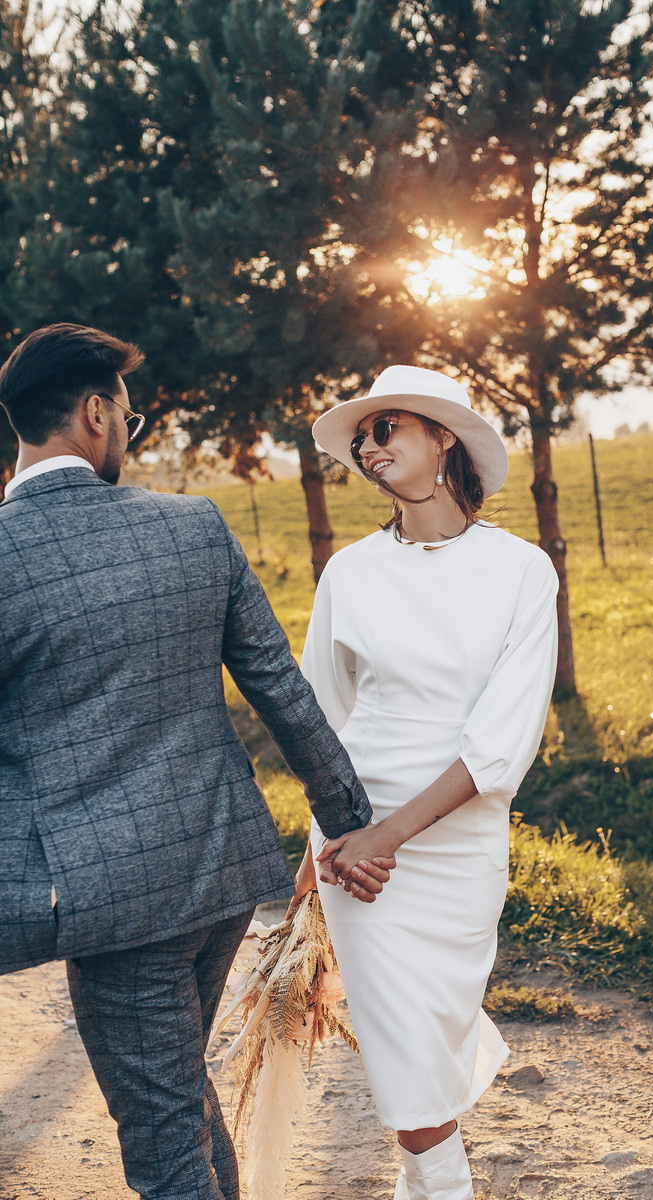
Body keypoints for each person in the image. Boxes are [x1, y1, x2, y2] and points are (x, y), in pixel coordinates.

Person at [0, 323, 393, 1200]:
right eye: (130, 421)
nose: (126, 436)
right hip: (221, 873)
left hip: (108, 903)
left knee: (161, 1129)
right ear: (96, 413)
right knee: (177, 1090)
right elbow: (282, 690)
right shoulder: (192, 525)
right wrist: (350, 828)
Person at [292, 365, 560, 1200]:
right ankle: (445, 1188)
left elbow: (501, 743)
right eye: (361, 438)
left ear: (444, 434)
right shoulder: (351, 573)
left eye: (389, 427)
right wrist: (324, 847)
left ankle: (424, 1182)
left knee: (427, 1032)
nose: (371, 448)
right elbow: (320, 720)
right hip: (356, 848)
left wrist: (392, 833)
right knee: (404, 1047)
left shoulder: (522, 571)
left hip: (455, 842)